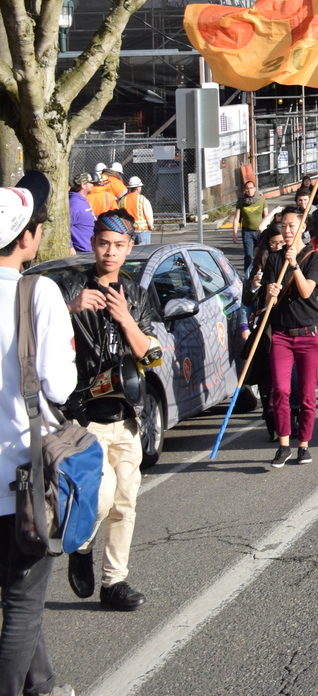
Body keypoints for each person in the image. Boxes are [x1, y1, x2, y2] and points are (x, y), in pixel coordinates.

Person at [57, 211, 159, 611]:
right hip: (84, 417)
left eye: (119, 245)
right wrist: (71, 307)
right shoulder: (71, 288)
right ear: (92, 243)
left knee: (125, 502)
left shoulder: (133, 292)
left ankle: (114, 583)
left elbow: (150, 354)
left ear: (130, 248)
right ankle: (81, 545)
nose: (110, 252)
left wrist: (124, 317)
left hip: (127, 415)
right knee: (98, 500)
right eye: (103, 243)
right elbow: (38, 329)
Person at [0, 175, 77, 696]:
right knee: (24, 605)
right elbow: (61, 382)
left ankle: (43, 687)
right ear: (27, 237)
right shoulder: (36, 290)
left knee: (19, 597)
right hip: (19, 476)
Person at [260, 209, 318, 467]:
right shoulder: (274, 259)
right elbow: (268, 297)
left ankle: (303, 446)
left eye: (291, 226)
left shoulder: (313, 257)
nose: (286, 231)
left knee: (307, 394)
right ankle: (283, 444)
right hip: (282, 334)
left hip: (308, 334)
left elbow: (307, 291)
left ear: (302, 228)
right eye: (283, 226)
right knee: (281, 390)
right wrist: (270, 292)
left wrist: (294, 264)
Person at [233, 178, 267, 275]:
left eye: (251, 188)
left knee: (260, 253)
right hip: (247, 232)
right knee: (248, 255)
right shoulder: (241, 202)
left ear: (255, 188)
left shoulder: (262, 200)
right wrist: (234, 233)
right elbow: (236, 219)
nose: (249, 190)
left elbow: (266, 217)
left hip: (259, 232)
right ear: (244, 190)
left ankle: (260, 273)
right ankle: (247, 275)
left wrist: (267, 231)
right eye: (247, 189)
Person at [121, 176, 154, 245]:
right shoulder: (143, 200)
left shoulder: (122, 200)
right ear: (138, 188)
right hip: (142, 232)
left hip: (128, 231)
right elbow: (149, 216)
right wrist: (151, 226)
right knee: (144, 253)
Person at [69, 173, 96, 253]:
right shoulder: (75, 203)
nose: (92, 185)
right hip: (81, 253)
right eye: (90, 183)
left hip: (88, 250)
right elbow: (65, 226)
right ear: (83, 185)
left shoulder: (81, 200)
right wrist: (70, 247)